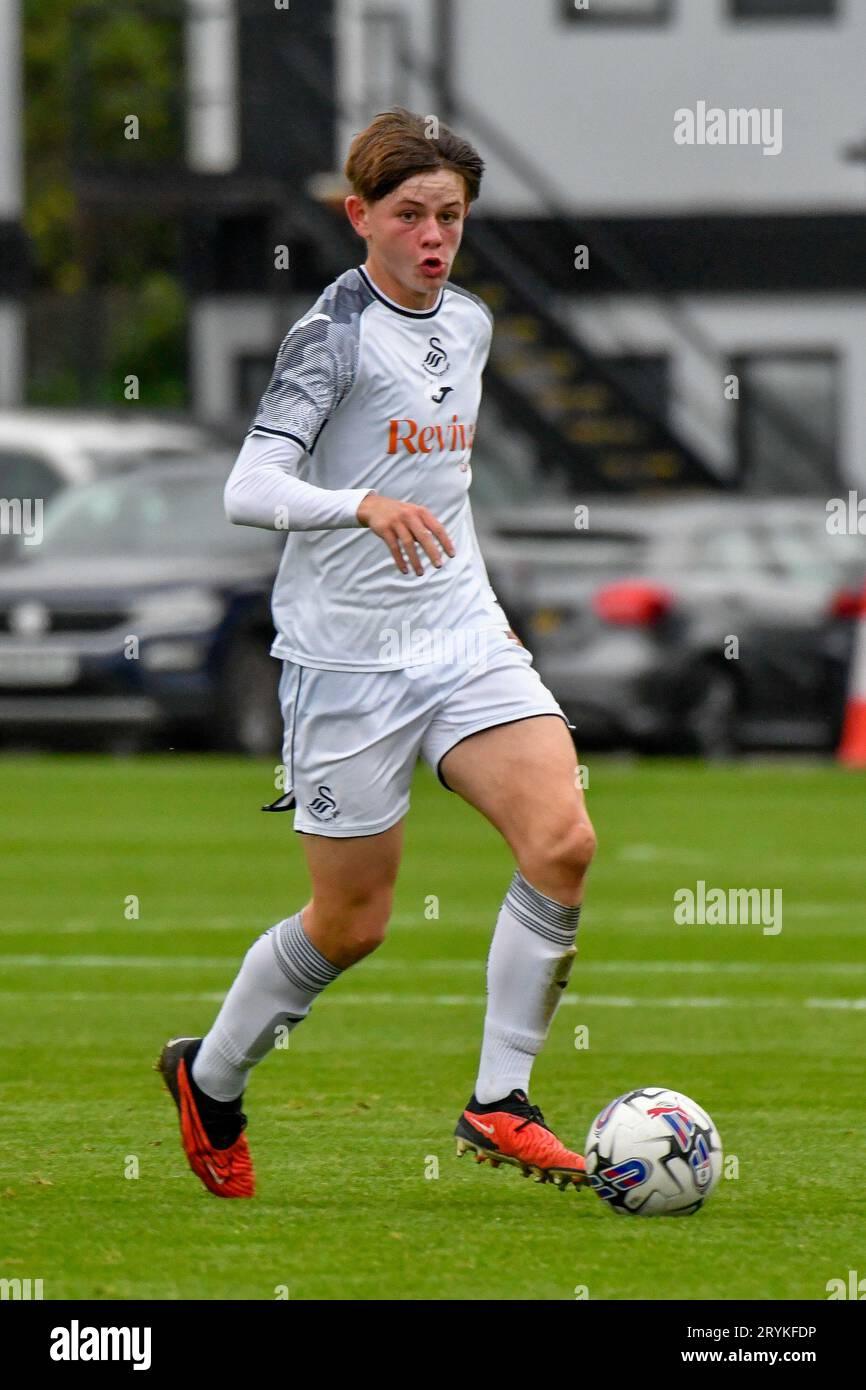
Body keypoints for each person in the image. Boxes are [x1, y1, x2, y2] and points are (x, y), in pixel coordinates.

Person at [157, 107, 597, 1199]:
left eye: (450, 215)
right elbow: (248, 487)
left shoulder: (475, 323)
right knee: (352, 923)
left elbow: (443, 491)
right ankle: (210, 1079)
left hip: (456, 634)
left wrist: (475, 602)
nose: (433, 234)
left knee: (561, 839)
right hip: (344, 661)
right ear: (359, 217)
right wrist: (360, 505)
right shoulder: (331, 335)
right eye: (410, 215)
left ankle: (499, 1100)